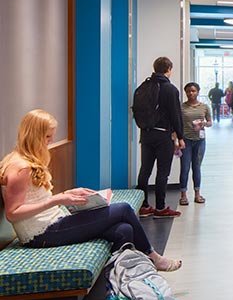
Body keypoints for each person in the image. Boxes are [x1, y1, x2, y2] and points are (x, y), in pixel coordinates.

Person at [0, 110, 181, 271]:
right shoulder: (20, 168)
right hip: (41, 234)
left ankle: (122, 281)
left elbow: (33, 199)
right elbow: (13, 213)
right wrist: (57, 200)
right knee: (124, 209)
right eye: (47, 137)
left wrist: (68, 194)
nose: (51, 142)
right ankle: (153, 257)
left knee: (123, 230)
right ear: (34, 136)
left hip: (52, 223)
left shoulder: (25, 161)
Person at [136, 56, 184, 218]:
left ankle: (143, 206)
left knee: (145, 170)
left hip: (146, 134)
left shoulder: (145, 85)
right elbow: (175, 115)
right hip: (163, 135)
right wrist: (180, 136)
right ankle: (161, 207)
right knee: (163, 172)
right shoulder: (170, 89)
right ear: (169, 69)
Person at [179, 82, 211, 206]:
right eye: (188, 91)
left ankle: (197, 194)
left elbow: (210, 122)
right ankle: (183, 195)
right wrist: (177, 140)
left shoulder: (204, 107)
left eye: (193, 91)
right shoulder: (181, 107)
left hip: (200, 141)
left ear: (198, 91)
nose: (191, 93)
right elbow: (177, 124)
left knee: (197, 167)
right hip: (186, 140)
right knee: (185, 168)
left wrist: (204, 124)